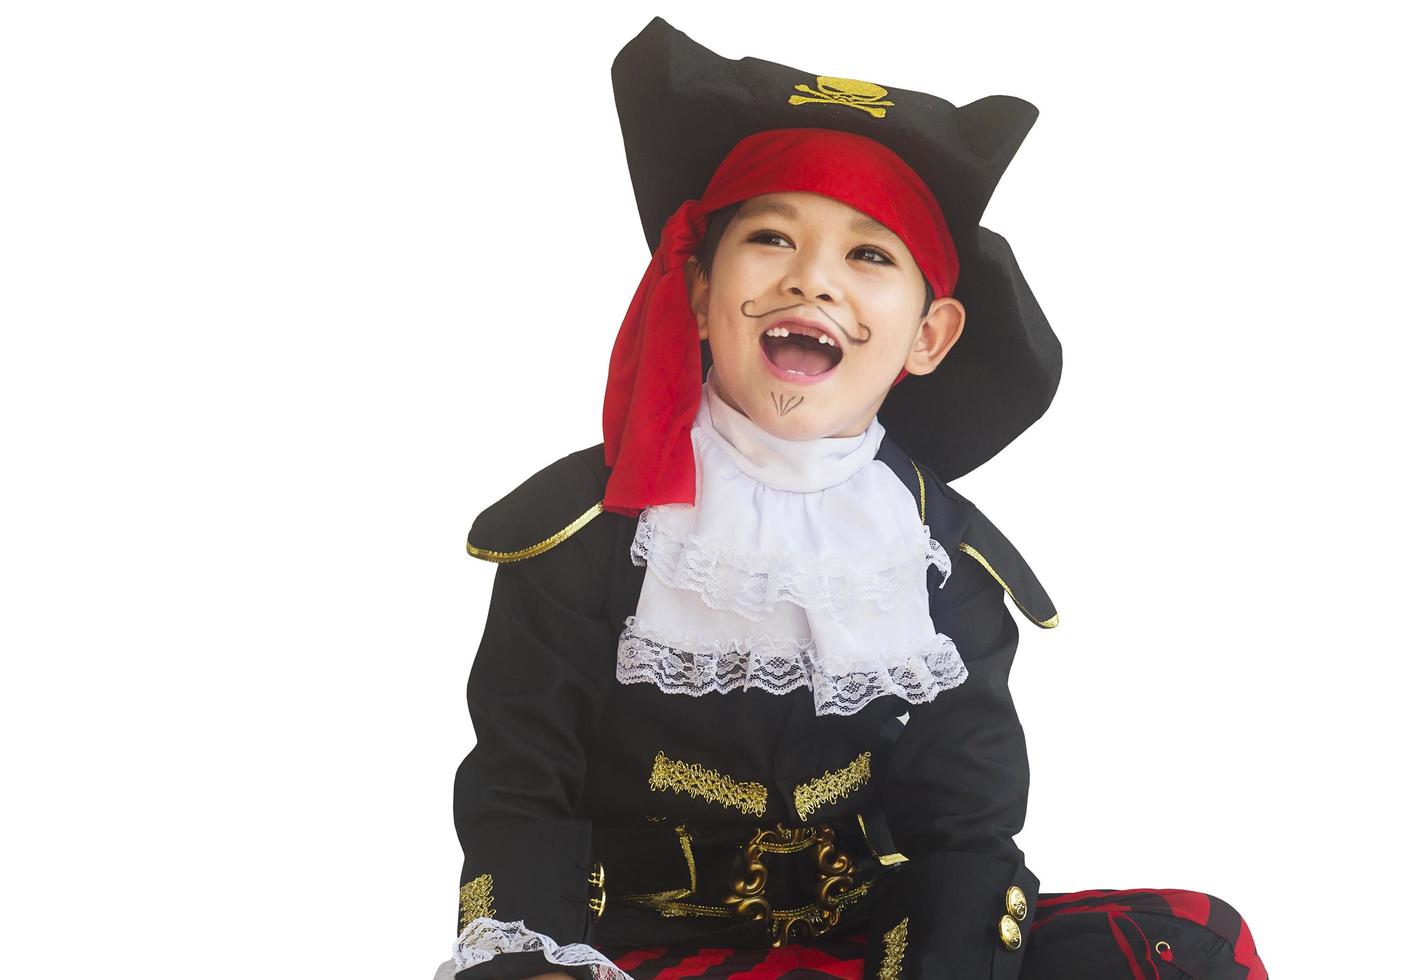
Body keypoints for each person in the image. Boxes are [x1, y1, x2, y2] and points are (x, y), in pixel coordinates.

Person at [433, 17, 1269, 980]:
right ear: (701, 291)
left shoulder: (942, 561)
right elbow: (521, 796)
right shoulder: (580, 533)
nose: (812, 277)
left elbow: (965, 829)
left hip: (875, 953)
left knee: (1187, 947)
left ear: (929, 334)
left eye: (869, 256)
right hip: (640, 954)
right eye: (771, 236)